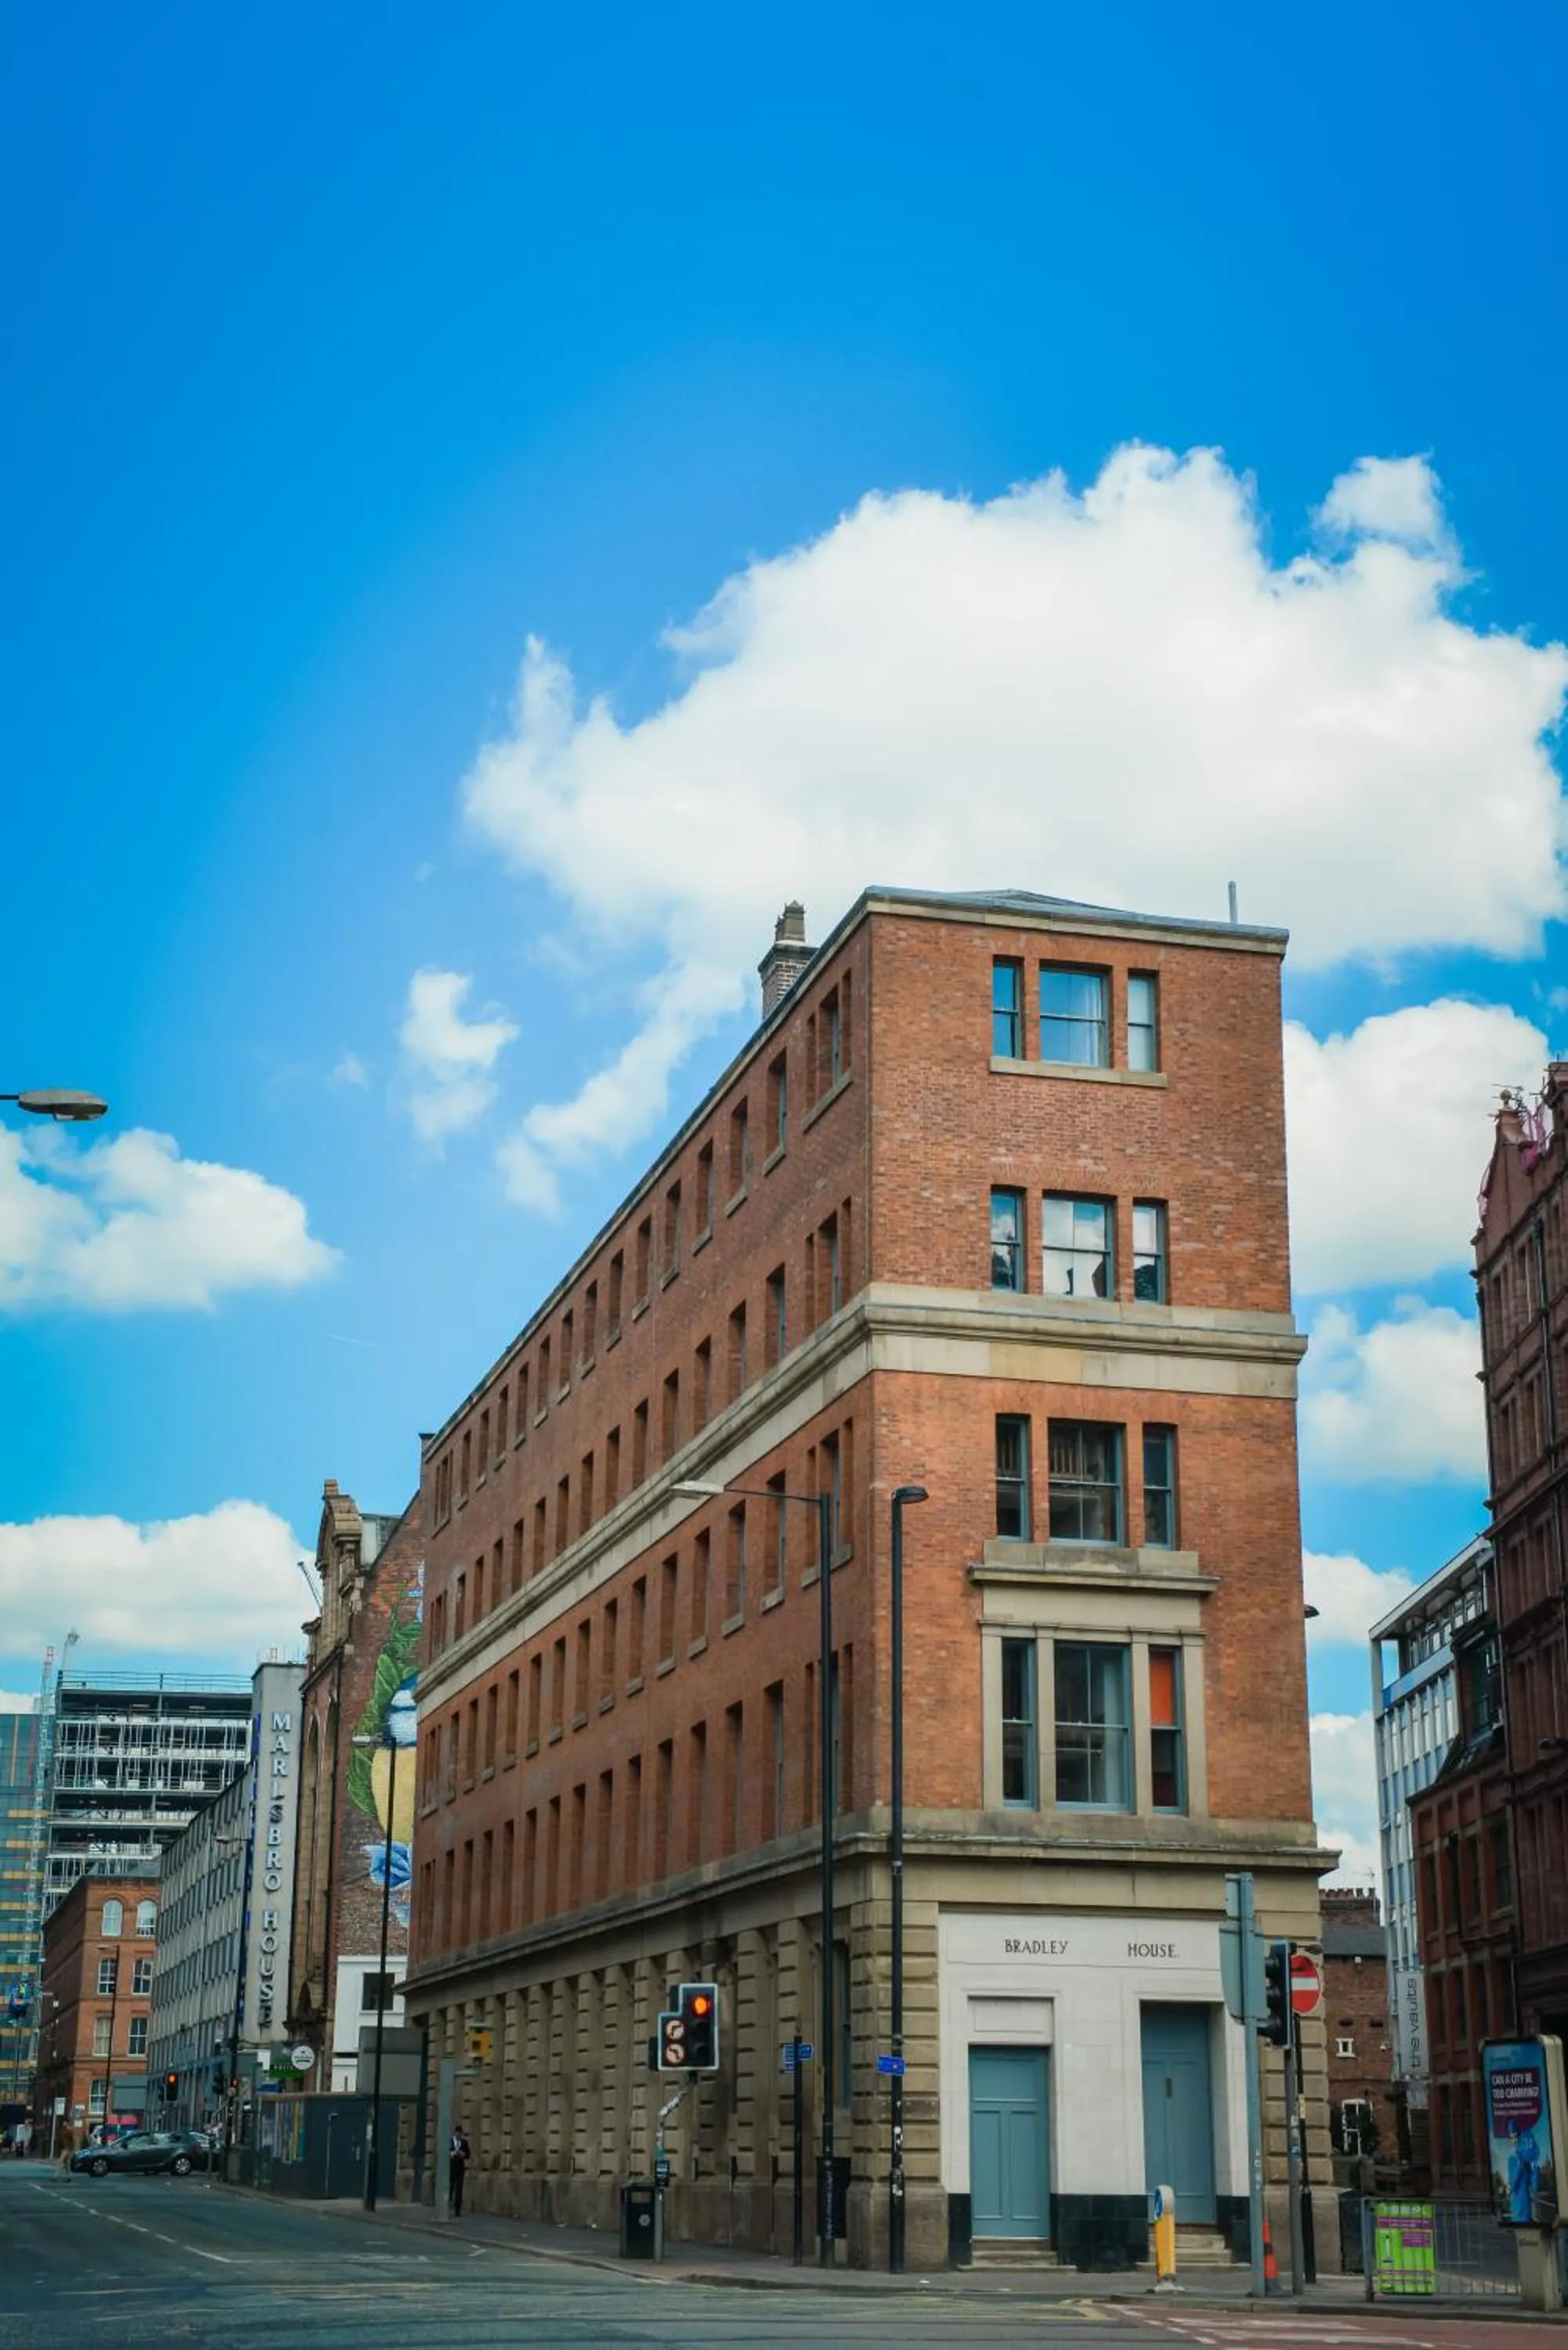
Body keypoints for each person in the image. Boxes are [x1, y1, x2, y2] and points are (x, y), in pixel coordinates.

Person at [448, 2126, 471, 2218]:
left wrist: (463, 2154)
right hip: (451, 2168)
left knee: (459, 2190)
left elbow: (468, 2155)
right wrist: (453, 2153)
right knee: (450, 2187)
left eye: (460, 2134)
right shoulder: (450, 2141)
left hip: (460, 2168)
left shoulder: (464, 2143)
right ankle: (447, 2205)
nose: (459, 2135)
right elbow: (446, 2152)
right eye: (458, 2134)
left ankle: (458, 2210)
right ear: (455, 2133)